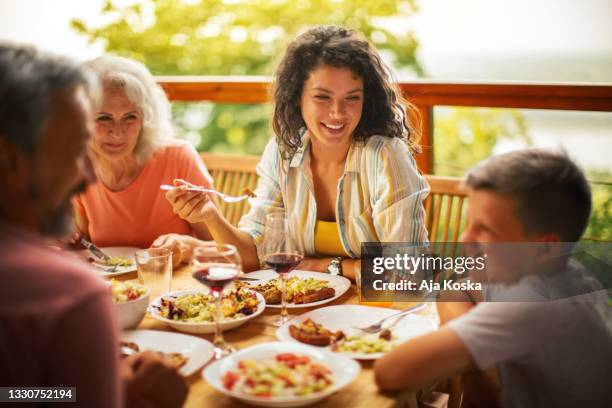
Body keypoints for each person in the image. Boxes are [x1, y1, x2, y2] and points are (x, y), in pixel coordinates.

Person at [159, 25, 429, 279]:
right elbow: (254, 257)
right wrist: (210, 214)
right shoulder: (283, 152)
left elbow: (409, 272)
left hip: (378, 315)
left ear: (366, 100)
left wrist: (324, 266)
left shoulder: (385, 156)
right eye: (322, 97)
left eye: (352, 97)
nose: (338, 113)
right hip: (304, 312)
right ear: (296, 97)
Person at [0, 44, 187, 408]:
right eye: (74, 152)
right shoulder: (72, 295)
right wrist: (126, 396)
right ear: (10, 160)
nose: (87, 177)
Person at [374, 149, 612, 407]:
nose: (465, 239)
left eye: (485, 229)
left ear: (545, 247)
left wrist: (471, 351)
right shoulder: (564, 274)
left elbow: (390, 372)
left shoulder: (529, 307)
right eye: (469, 223)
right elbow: (457, 290)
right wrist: (478, 357)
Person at [72, 55, 213, 251]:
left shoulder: (178, 157)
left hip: (175, 279)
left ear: (146, 119)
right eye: (104, 118)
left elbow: (222, 250)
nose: (118, 131)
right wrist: (67, 242)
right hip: (112, 282)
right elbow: (86, 245)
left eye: (130, 117)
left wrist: (187, 247)